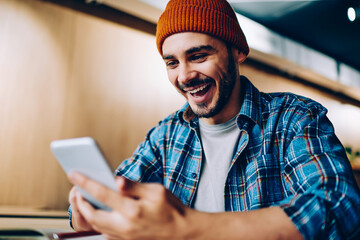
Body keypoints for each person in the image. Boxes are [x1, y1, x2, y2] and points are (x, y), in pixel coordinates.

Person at [67, 0, 360, 239]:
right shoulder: (166, 135)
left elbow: (339, 206)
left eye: (198, 56)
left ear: (238, 52)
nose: (184, 76)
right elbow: (115, 196)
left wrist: (186, 227)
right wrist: (89, 213)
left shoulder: (294, 118)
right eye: (172, 62)